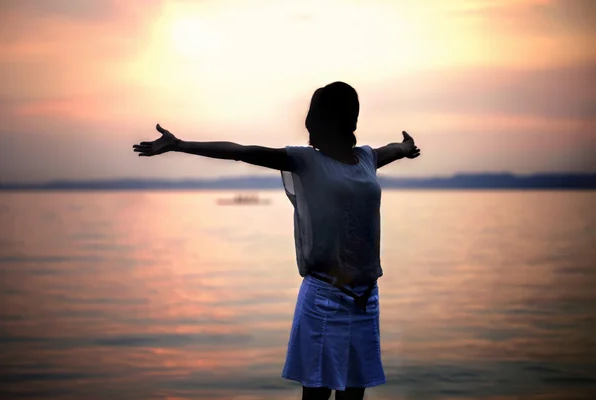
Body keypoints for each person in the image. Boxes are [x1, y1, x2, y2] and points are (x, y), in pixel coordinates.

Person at [133, 81, 421, 400]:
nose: (309, 123)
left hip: (366, 299)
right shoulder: (306, 161)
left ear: (344, 119)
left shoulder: (366, 158)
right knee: (317, 394)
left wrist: (406, 148)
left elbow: (392, 151)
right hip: (326, 296)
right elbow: (241, 153)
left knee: (354, 394)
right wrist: (179, 145)